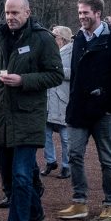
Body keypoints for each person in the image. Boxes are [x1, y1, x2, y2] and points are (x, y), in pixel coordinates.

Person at [0, 0, 63, 221]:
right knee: (8, 177)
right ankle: (35, 210)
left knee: (20, 176)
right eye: (7, 12)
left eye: (15, 12)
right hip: (3, 115)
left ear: (27, 12)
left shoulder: (42, 39)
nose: (10, 17)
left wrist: (23, 80)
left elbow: (55, 75)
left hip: (28, 116)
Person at [58, 0, 111, 221]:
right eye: (80, 13)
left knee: (106, 158)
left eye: (85, 13)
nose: (81, 17)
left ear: (97, 13)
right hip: (78, 109)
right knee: (74, 154)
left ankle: (110, 203)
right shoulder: (79, 39)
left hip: (103, 111)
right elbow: (76, 76)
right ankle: (79, 202)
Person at [41, 25, 73, 179]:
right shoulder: (48, 50)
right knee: (45, 134)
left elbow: (76, 72)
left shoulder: (73, 52)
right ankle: (50, 161)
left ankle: (67, 165)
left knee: (66, 137)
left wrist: (56, 71)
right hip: (47, 97)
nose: (52, 38)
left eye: (55, 36)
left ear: (64, 39)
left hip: (64, 98)